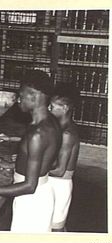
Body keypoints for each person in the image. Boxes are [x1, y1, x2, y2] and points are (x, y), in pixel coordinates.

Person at [0, 70, 62, 232]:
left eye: (20, 95)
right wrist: (14, 165)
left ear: (34, 96)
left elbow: (30, 186)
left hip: (31, 201)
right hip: (42, 194)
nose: (17, 100)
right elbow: (51, 162)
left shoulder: (37, 133)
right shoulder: (51, 123)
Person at [48, 83, 80, 232]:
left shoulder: (67, 134)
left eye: (52, 106)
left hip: (60, 185)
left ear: (66, 108)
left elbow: (60, 170)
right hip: (52, 182)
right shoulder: (59, 126)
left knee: (56, 229)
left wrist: (28, 167)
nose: (49, 109)